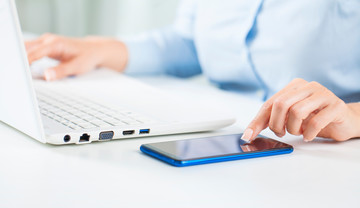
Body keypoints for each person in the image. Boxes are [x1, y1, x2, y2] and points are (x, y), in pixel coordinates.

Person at [25, 0, 360, 142]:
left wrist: (352, 117)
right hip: (229, 135)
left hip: (326, 154)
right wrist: (100, 49)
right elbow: (189, 43)